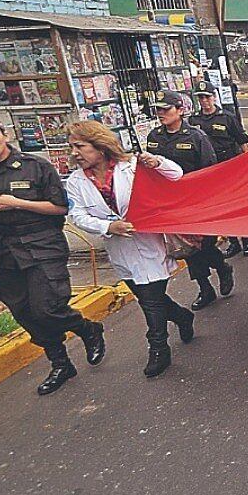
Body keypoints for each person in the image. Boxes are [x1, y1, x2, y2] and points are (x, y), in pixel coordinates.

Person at [0, 112, 105, 395]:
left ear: (5, 134)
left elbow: (61, 208)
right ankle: (60, 362)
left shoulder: (35, 166)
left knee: (46, 307)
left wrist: (16, 203)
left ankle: (87, 329)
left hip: (40, 244)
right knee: (24, 312)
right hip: (0, 249)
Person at [64, 121, 191, 378]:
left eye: (80, 146)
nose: (74, 152)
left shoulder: (131, 166)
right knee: (148, 298)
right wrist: (108, 226)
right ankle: (181, 316)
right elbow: (77, 215)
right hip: (120, 251)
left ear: (99, 147)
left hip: (149, 245)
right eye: (72, 147)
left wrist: (157, 162)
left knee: (151, 301)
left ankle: (158, 348)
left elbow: (176, 174)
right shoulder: (76, 181)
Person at [147, 91, 236, 308]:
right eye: (158, 109)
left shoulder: (196, 137)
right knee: (186, 248)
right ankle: (205, 289)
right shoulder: (154, 137)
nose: (161, 114)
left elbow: (209, 170)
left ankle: (222, 267)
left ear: (180, 110)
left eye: (166, 109)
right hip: (171, 204)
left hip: (196, 202)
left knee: (203, 245)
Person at [189, 82, 248, 258]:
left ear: (214, 97)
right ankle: (234, 242)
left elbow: (242, 140)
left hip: (230, 167)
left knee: (237, 206)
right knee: (222, 209)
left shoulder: (227, 117)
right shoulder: (194, 120)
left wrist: (246, 165)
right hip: (210, 169)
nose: (204, 101)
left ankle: (247, 240)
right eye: (200, 98)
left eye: (207, 97)